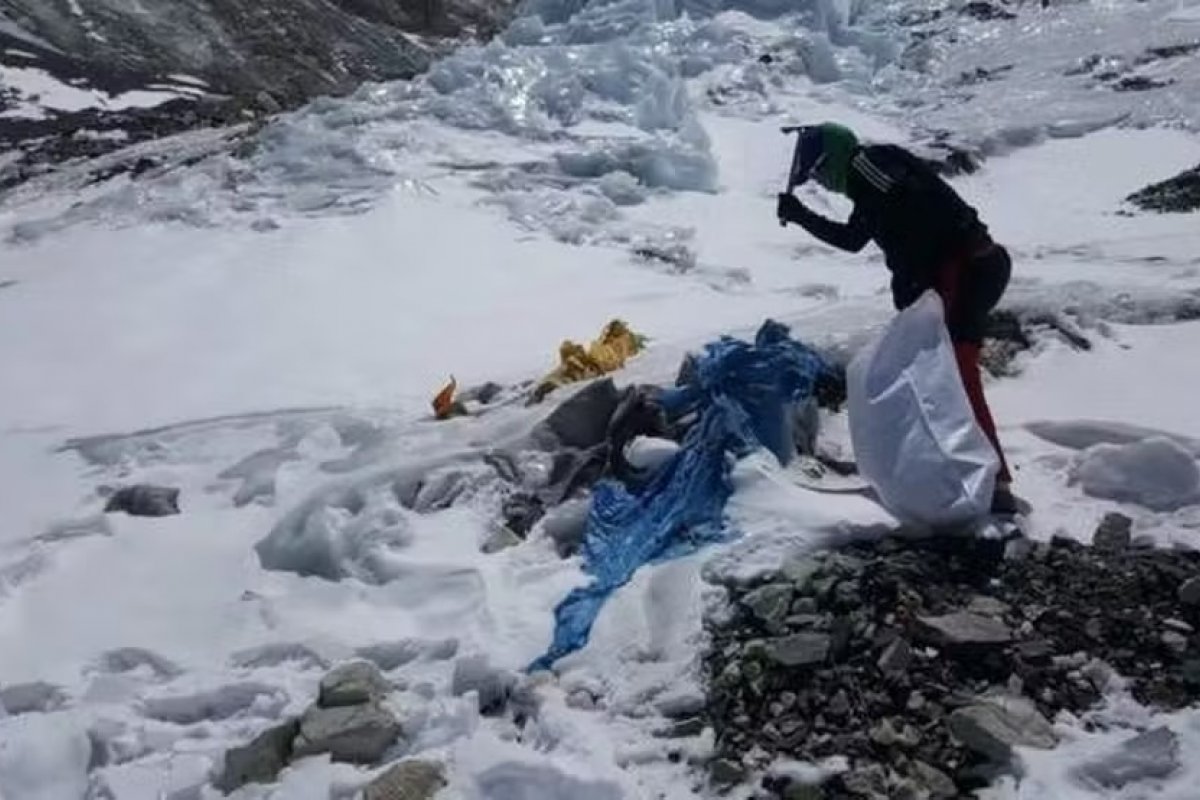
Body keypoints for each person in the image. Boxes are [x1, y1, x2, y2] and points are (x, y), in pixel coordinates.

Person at [776, 122, 1018, 514]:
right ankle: (963, 469)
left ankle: (995, 482)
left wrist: (916, 274)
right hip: (965, 270)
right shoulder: (868, 181)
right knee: (940, 377)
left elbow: (901, 207)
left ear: (835, 156)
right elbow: (864, 232)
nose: (822, 180)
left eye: (819, 170)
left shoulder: (868, 164)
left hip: (963, 270)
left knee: (958, 376)